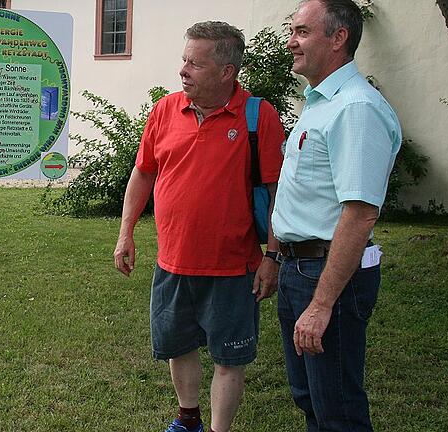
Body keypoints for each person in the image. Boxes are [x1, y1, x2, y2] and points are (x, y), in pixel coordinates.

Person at [113, 21, 285, 432]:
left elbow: (278, 193)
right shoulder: (165, 110)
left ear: (227, 71)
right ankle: (188, 418)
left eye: (195, 63)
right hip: (172, 262)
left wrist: (273, 257)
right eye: (183, 60)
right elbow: (143, 173)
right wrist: (126, 232)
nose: (183, 71)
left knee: (230, 358)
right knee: (178, 345)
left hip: (233, 268)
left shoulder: (258, 116)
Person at [271, 1, 402, 430]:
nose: (291, 42)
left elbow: (360, 213)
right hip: (298, 268)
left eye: (303, 32)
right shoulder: (321, 103)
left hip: (326, 274)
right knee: (311, 399)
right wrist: (276, 258)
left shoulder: (356, 108)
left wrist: (321, 304)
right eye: (293, 31)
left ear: (338, 37)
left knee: (338, 410)